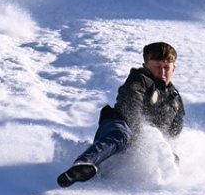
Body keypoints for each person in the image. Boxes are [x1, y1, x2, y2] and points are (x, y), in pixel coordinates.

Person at [57, 42, 186, 187]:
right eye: (157, 67)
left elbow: (175, 129)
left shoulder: (175, 99)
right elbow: (131, 106)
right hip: (119, 124)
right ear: (146, 66)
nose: (162, 72)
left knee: (172, 157)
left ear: (173, 69)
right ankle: (84, 164)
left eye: (166, 68)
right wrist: (142, 134)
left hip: (143, 144)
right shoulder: (139, 80)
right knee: (121, 134)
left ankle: (158, 185)